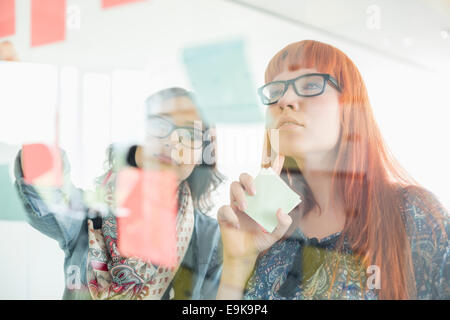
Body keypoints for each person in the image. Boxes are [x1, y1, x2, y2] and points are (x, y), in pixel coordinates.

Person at [216, 40, 449, 300]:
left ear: (349, 107)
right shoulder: (265, 225)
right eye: (275, 91)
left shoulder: (413, 214)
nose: (285, 100)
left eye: (311, 85)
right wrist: (237, 264)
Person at [14, 87, 225, 299]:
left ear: (201, 154)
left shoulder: (212, 238)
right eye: (159, 125)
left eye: (190, 133)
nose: (172, 141)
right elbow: (44, 195)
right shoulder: (86, 214)